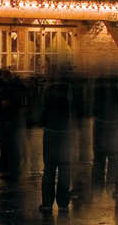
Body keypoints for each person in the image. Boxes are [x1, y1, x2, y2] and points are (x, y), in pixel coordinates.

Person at [40, 68, 74, 212]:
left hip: (51, 130)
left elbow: (43, 110)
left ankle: (47, 203)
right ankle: (63, 202)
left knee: (49, 167)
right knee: (65, 168)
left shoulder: (49, 90)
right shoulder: (70, 90)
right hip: (66, 131)